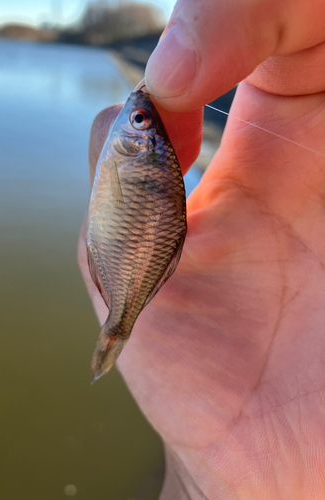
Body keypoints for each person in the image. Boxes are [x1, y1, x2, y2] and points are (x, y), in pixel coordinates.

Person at [79, 0, 325, 497]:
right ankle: (120, 323)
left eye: (140, 122)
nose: (135, 116)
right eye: (143, 121)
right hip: (130, 257)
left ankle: (118, 323)